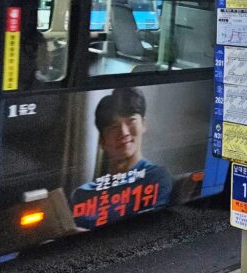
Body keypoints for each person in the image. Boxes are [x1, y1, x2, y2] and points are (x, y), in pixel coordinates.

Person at [69, 87, 172, 230]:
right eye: (113, 127)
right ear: (102, 142)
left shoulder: (156, 177)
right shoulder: (82, 194)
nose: (124, 133)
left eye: (131, 121)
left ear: (143, 124)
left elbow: (149, 229)